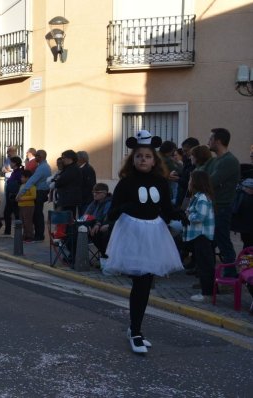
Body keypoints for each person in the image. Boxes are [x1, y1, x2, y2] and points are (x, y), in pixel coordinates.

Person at [104, 130, 183, 354]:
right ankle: (136, 332)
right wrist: (124, 208)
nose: (143, 160)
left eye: (147, 156)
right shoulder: (126, 183)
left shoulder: (161, 182)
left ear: (154, 159)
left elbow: (166, 210)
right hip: (132, 234)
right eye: (139, 156)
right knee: (140, 283)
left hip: (154, 234)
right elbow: (111, 214)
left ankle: (134, 328)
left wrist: (179, 214)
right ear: (133, 159)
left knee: (145, 283)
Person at [208, 128, 240, 264]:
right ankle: (210, 275)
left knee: (223, 242)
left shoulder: (229, 161)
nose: (208, 142)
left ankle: (230, 274)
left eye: (210, 139)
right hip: (214, 206)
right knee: (212, 242)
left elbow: (210, 182)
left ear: (218, 141)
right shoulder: (217, 160)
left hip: (222, 207)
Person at [183, 170, 216, 303]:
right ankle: (207, 291)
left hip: (201, 235)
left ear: (196, 182)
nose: (189, 182)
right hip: (199, 236)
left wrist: (188, 214)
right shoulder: (197, 196)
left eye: (191, 180)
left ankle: (207, 294)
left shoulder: (201, 197)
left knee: (205, 266)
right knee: (204, 264)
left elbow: (200, 217)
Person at [16, 150, 51, 242]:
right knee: (37, 214)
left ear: (42, 156)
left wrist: (21, 193)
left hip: (40, 192)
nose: (36, 157)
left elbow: (32, 181)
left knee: (37, 214)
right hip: (41, 191)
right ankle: (37, 235)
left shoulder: (42, 167)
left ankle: (39, 236)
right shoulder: (42, 166)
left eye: (37, 156)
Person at [82, 183, 112, 256]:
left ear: (105, 193)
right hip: (93, 226)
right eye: (93, 192)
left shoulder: (109, 202)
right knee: (75, 231)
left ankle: (105, 256)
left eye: (97, 192)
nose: (94, 194)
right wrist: (87, 224)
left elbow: (105, 217)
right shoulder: (94, 202)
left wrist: (97, 224)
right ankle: (75, 257)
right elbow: (86, 215)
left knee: (96, 233)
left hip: (104, 227)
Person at [55, 150, 83, 218]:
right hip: (66, 199)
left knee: (67, 221)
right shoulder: (68, 168)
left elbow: (61, 181)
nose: (62, 160)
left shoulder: (73, 169)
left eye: (64, 158)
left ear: (70, 158)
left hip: (68, 201)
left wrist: (57, 181)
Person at [2, 156, 22, 235]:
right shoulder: (14, 172)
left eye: (11, 162)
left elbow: (18, 183)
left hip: (13, 196)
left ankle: (16, 232)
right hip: (10, 196)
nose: (10, 164)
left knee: (15, 214)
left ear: (15, 163)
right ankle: (8, 231)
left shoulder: (18, 172)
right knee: (7, 213)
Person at [17, 169, 36, 242]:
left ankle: (30, 236)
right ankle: (25, 235)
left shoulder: (31, 186)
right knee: (23, 222)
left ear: (27, 178)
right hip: (21, 205)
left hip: (28, 206)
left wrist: (22, 198)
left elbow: (33, 196)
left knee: (28, 221)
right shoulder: (22, 185)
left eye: (22, 177)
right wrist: (17, 198)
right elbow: (19, 193)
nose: (21, 179)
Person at [77, 151, 96, 215]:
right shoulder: (81, 168)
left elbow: (90, 185)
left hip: (86, 200)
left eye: (77, 158)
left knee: (84, 218)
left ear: (82, 159)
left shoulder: (88, 169)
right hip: (82, 199)